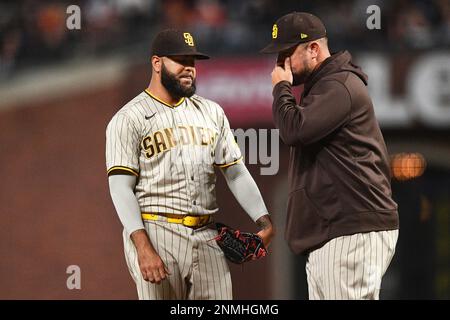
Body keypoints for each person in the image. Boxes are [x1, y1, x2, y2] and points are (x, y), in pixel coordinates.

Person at [105, 29, 274, 300]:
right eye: (180, 60)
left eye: (192, 62)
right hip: (157, 230)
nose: (189, 68)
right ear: (157, 63)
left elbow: (236, 173)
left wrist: (264, 221)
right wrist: (142, 246)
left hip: (207, 234)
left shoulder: (211, 112)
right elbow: (120, 188)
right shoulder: (128, 118)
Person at [261, 12, 399, 300]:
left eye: (287, 54)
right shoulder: (324, 86)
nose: (280, 64)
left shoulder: (340, 84)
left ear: (314, 49)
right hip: (337, 232)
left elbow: (293, 130)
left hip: (350, 228)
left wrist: (280, 88)